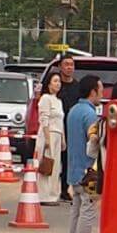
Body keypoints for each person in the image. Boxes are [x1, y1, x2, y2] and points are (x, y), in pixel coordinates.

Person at [64, 77, 105, 233]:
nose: (102, 94)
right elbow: (93, 141)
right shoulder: (89, 114)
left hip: (73, 169)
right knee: (88, 211)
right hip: (89, 170)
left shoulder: (73, 111)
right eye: (101, 89)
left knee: (76, 212)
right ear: (93, 91)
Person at [35, 71, 67, 204]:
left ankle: (54, 195)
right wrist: (47, 139)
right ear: (48, 84)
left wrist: (63, 139)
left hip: (58, 135)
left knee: (55, 167)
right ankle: (43, 195)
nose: (58, 84)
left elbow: (61, 121)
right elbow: (44, 119)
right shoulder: (45, 99)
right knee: (46, 165)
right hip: (48, 134)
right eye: (55, 81)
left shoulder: (59, 101)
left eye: (59, 81)